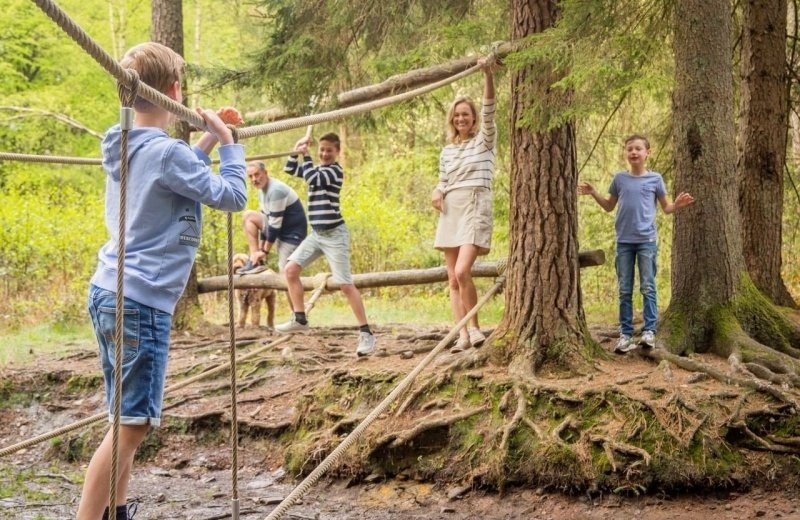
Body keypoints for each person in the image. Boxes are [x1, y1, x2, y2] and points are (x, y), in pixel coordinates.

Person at [78, 42, 247, 520]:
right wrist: (232, 146)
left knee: (123, 419)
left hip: (110, 292)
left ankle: (117, 513)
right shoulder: (166, 153)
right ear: (175, 92)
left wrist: (210, 140)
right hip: (140, 301)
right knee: (130, 427)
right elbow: (232, 196)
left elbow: (175, 173)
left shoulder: (127, 142)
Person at [578, 134, 694, 354]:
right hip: (624, 242)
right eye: (629, 148)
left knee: (648, 286)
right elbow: (609, 206)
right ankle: (625, 335)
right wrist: (594, 192)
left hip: (646, 242)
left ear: (647, 153)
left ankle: (649, 331)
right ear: (626, 153)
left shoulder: (655, 179)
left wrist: (677, 205)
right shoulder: (619, 179)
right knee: (624, 290)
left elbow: (666, 208)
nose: (633, 152)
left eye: (638, 149)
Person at [274, 132, 376, 357]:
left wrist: (307, 156)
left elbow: (312, 178)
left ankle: (366, 333)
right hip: (317, 234)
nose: (324, 154)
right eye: (321, 150)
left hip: (334, 235)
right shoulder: (317, 168)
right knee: (290, 270)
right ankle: (300, 318)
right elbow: (290, 170)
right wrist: (296, 149)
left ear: (337, 152)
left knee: (345, 284)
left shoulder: (334, 171)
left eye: (329, 150)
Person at [431, 57, 496, 354]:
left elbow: (490, 108)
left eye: (466, 114)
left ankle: (474, 327)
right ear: (452, 119)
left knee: (462, 271)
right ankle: (462, 334)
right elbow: (444, 179)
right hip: (450, 210)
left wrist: (487, 75)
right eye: (457, 115)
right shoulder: (447, 150)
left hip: (474, 204)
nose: (461, 119)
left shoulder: (483, 141)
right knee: (452, 279)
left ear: (473, 118)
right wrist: (437, 189)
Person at [238, 161, 308, 274]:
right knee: (248, 216)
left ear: (265, 173)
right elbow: (266, 224)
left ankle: (257, 259)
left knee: (286, 274)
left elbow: (274, 225)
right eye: (250, 176)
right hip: (281, 230)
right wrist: (260, 252)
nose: (254, 179)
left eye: (257, 174)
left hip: (292, 235)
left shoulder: (276, 190)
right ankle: (255, 261)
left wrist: (265, 252)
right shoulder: (262, 191)